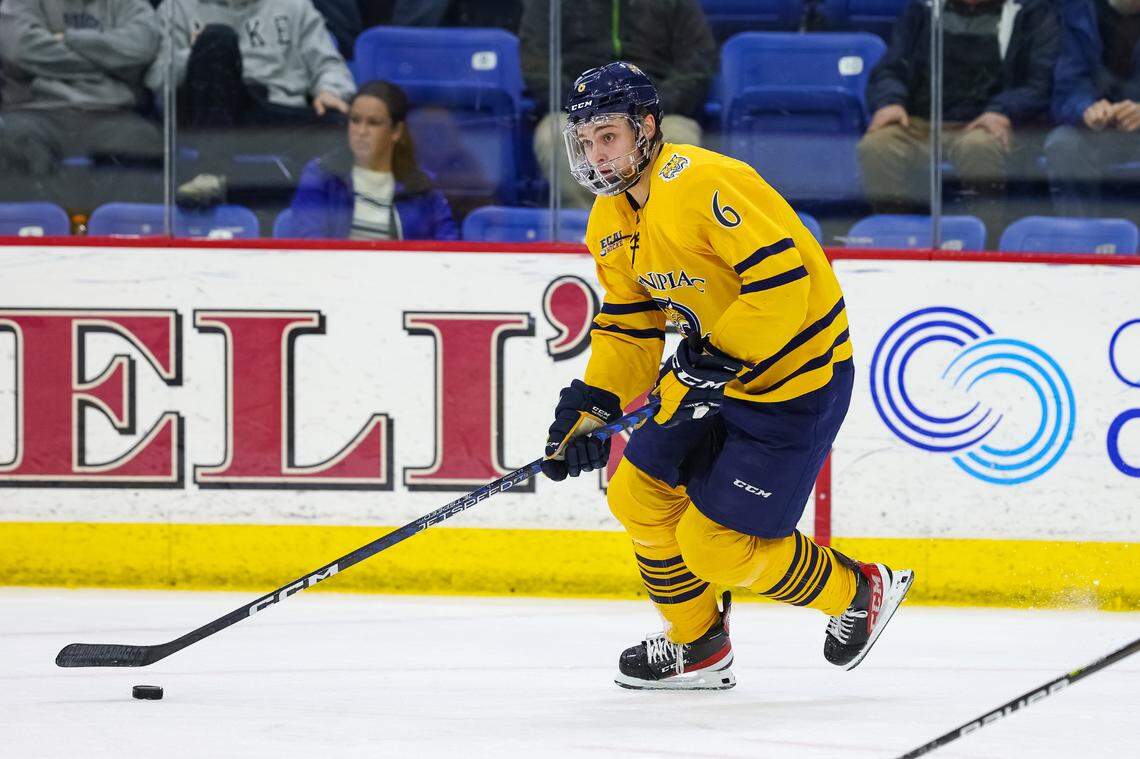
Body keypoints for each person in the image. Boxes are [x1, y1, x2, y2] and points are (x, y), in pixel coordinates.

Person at [542, 62, 914, 690]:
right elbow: (631, 325)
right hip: (713, 377)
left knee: (713, 546)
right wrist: (592, 407)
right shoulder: (609, 218)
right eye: (586, 141)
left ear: (646, 128)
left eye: (608, 136)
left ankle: (858, 591)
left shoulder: (705, 182)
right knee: (636, 496)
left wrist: (709, 362)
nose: (597, 155)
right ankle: (699, 646)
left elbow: (782, 288)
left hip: (794, 383)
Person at [858, 0, 1059, 237]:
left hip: (985, 124)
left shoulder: (1031, 12)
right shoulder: (924, 8)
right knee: (877, 145)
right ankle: (895, 236)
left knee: (978, 148)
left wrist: (1001, 110)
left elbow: (1040, 83)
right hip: (919, 122)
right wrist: (890, 101)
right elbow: (890, 68)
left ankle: (986, 240)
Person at [147, 0, 357, 207]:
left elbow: (329, 64)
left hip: (270, 113)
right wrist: (197, 52)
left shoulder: (295, 6)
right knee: (217, 36)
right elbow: (157, 80)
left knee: (348, 128)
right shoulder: (177, 7)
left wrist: (330, 90)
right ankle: (210, 173)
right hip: (206, 116)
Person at [519, 0, 715, 209]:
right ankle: (589, 223)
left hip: (656, 110)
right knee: (554, 136)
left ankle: (656, 220)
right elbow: (537, 64)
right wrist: (584, 106)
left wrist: (649, 105)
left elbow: (697, 64)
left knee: (679, 137)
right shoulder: (550, 3)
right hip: (580, 110)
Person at [0, 0, 163, 207]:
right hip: (36, 111)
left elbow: (141, 48)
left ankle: (113, 227)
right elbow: (19, 49)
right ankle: (41, 226)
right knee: (11, 138)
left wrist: (68, 39)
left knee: (143, 140)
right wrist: (108, 63)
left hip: (112, 113)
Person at [288, 80, 457, 240]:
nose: (361, 131)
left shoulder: (422, 189)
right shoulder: (322, 176)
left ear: (396, 131)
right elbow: (309, 245)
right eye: (355, 120)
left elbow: (448, 248)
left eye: (373, 123)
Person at [1045, 0, 1140, 218]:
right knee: (1062, 142)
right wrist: (1086, 108)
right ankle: (1079, 233)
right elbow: (1066, 89)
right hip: (1097, 133)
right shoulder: (1079, 11)